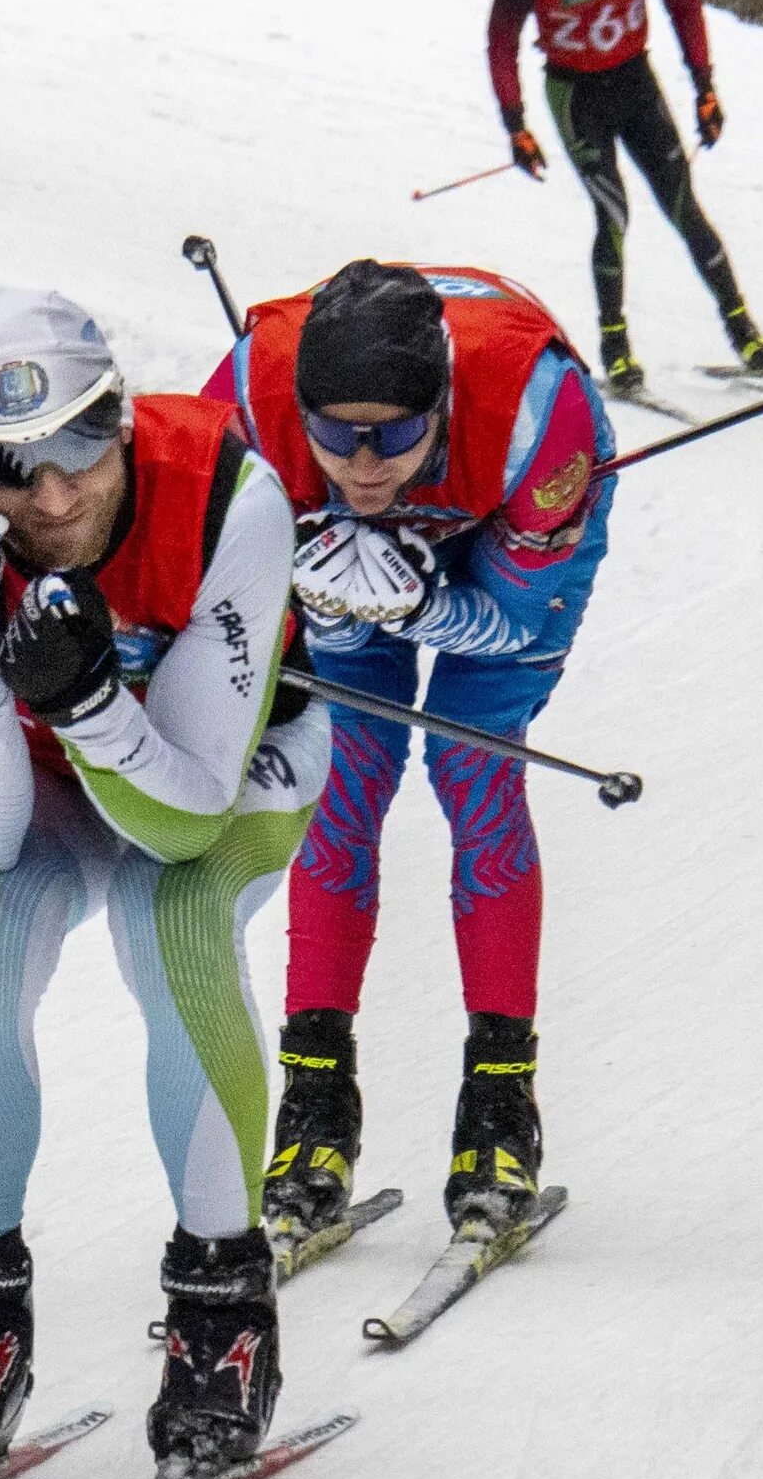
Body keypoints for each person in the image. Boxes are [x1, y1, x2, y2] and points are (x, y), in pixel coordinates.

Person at [0, 292, 329, 1479]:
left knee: (173, 920)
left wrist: (94, 704)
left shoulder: (226, 495)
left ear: (119, 425)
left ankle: (222, 1321)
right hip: (37, 780)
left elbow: (186, 817)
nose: (54, 499)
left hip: (216, 762)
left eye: (80, 448)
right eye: (11, 468)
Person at [202, 260, 612, 1246]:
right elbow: (201, 587)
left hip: (504, 525)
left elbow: (514, 629)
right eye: (336, 435)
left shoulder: (534, 422)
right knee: (345, 778)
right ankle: (314, 1105)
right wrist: (325, 605)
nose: (364, 462)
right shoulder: (241, 412)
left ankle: (501, 1103)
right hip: (334, 552)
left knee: (471, 767)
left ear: (441, 406)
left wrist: (426, 606)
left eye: (391, 435)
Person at [488, 0, 763, 391]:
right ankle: (616, 348)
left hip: (633, 83)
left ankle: (743, 330)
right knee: (613, 214)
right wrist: (515, 124)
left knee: (683, 206)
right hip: (576, 96)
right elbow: (501, 39)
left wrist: (704, 86)